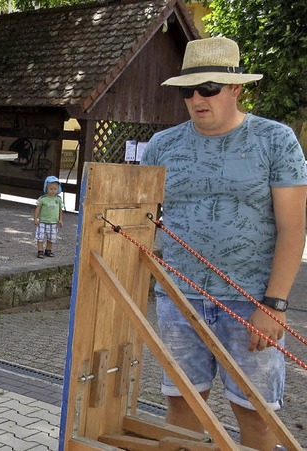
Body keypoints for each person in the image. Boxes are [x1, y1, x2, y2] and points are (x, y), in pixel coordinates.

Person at [141, 37, 307, 450]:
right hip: (179, 299)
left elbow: (294, 227)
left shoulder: (276, 140)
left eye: (209, 88)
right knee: (181, 410)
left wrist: (275, 305)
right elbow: (139, 218)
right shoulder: (163, 145)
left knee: (256, 417)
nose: (197, 98)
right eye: (188, 90)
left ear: (235, 88)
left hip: (251, 302)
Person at [34, 176, 63, 259]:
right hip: (42, 221)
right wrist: (36, 219)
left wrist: (61, 219)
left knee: (51, 237)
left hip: (54, 222)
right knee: (40, 236)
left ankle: (48, 250)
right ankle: (40, 250)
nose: (53, 191)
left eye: (55, 189)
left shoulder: (58, 199)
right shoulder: (43, 199)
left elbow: (60, 210)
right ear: (46, 188)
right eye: (51, 188)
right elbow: (37, 209)